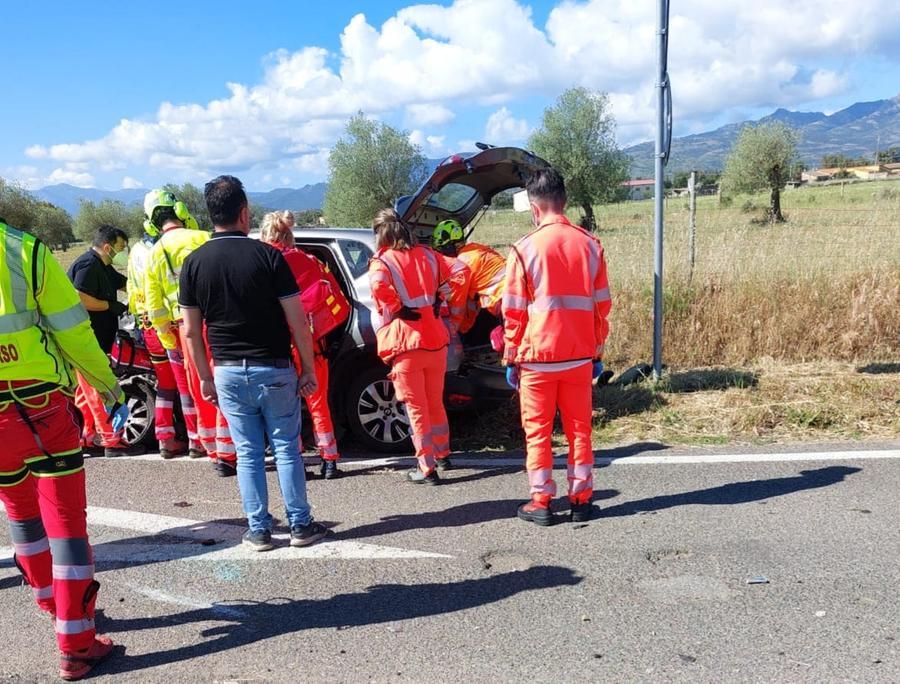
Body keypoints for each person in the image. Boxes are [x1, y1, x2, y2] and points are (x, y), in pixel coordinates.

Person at [0, 220, 127, 680]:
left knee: (20, 512)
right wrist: (108, 385)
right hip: (39, 409)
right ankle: (76, 642)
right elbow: (73, 330)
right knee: (65, 523)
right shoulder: (25, 252)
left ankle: (48, 601)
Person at [179, 175, 328, 551]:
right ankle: (300, 525)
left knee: (247, 453)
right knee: (287, 448)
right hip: (274, 368)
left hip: (227, 370)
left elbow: (192, 332)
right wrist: (307, 369)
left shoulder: (193, 264)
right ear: (244, 214)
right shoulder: (270, 257)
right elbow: (298, 321)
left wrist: (203, 377)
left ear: (210, 214)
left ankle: (259, 529)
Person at [501, 168, 611, 526]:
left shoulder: (523, 249)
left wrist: (510, 354)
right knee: (580, 430)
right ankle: (581, 498)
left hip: (537, 360)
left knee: (538, 432)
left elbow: (513, 311)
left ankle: (542, 502)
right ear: (563, 201)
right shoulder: (590, 245)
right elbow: (601, 305)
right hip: (579, 356)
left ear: (535, 207)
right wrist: (596, 349)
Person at [143, 190, 235, 471]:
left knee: (200, 388)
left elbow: (154, 306)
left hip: (183, 328)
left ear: (151, 223)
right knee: (224, 381)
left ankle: (212, 450)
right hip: (218, 321)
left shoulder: (155, 253)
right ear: (181, 211)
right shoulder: (202, 237)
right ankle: (230, 447)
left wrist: (168, 337)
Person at [368, 208, 452, 483]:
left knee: (416, 408)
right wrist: (440, 300)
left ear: (380, 234)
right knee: (435, 403)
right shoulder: (429, 255)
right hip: (435, 339)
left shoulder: (383, 261)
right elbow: (458, 272)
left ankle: (426, 467)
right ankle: (443, 454)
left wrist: (397, 307)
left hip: (406, 342)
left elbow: (379, 287)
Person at [260, 210, 344, 480]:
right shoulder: (308, 260)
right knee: (318, 403)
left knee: (286, 409)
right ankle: (329, 459)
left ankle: (296, 463)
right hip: (312, 342)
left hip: (279, 348)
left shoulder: (262, 263)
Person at [66, 225, 135, 457]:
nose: (123, 252)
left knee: (85, 391)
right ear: (107, 247)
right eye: (121, 248)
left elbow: (124, 283)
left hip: (95, 338)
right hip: (86, 339)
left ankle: (88, 435)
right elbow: (80, 297)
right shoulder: (87, 265)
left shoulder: (104, 266)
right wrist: (109, 306)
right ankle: (110, 440)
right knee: (99, 387)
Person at [126, 213, 186, 459]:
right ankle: (195, 440)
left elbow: (132, 289)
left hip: (147, 325)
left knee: (165, 385)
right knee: (184, 385)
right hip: (169, 325)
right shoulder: (160, 250)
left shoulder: (135, 252)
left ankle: (165, 438)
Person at [432, 218, 506, 334]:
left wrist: (455, 331)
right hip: (517, 292)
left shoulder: (462, 265)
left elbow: (458, 304)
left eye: (441, 249)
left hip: (504, 300)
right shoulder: (476, 248)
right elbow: (472, 302)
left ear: (449, 246)